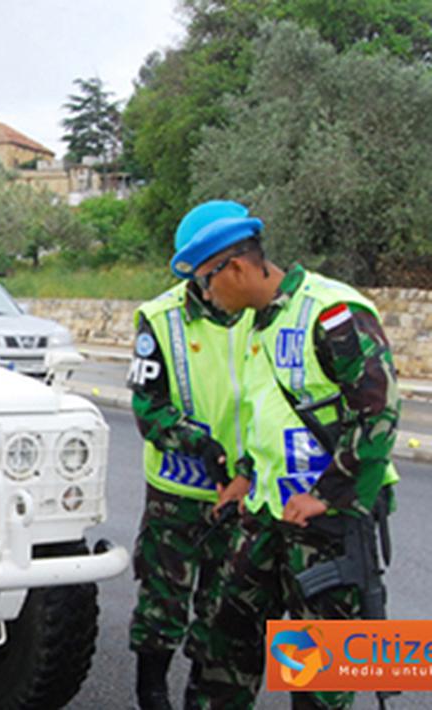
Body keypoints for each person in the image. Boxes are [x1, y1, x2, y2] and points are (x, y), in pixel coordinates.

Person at [171, 200, 400, 709]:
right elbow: (272, 417)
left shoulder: (332, 312)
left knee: (315, 675)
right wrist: (248, 476)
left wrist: (330, 494)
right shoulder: (259, 323)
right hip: (267, 515)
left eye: (207, 281)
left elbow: (379, 412)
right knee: (223, 649)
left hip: (328, 525)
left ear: (234, 266)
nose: (206, 296)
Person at [126, 201, 258, 710]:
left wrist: (245, 471)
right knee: (163, 603)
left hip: (245, 495)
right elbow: (148, 408)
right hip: (177, 492)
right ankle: (151, 692)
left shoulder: (260, 313)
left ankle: (201, 695)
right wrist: (199, 445)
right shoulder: (159, 320)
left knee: (222, 607)